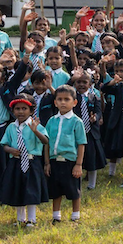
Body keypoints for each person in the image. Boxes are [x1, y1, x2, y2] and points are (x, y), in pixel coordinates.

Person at [43, 86, 88, 223]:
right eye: (60, 99)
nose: (63, 102)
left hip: (70, 161)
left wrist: (78, 164)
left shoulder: (77, 122)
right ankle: (56, 216)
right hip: (54, 160)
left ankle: (75, 216)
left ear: (74, 102)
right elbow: (47, 143)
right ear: (55, 102)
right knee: (56, 189)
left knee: (73, 190)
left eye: (67, 99)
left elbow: (81, 144)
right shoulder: (51, 121)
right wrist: (47, 163)